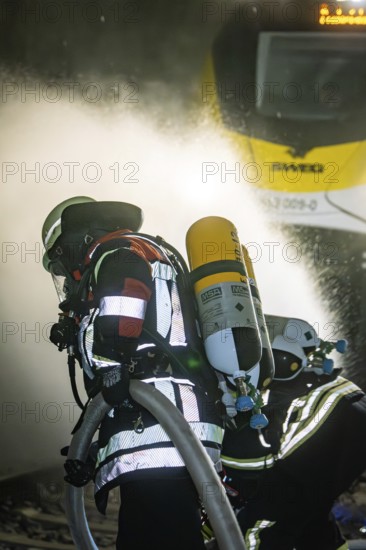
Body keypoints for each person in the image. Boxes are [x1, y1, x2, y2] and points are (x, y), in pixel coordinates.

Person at [41, 196, 224, 550]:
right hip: (161, 432)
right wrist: (92, 449)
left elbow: (126, 298)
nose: (67, 279)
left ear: (77, 240)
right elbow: (129, 383)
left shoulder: (117, 252)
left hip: (163, 432)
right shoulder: (141, 252)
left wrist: (109, 364)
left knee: (162, 539)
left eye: (64, 263)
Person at [220, 314, 366, 550]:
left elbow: (258, 457)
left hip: (336, 426)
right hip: (352, 414)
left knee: (262, 525)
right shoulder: (314, 383)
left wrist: (216, 450)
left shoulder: (293, 401)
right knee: (310, 515)